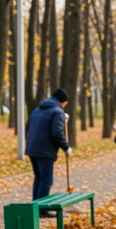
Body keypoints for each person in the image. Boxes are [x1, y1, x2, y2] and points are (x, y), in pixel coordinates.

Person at [26, 88, 72, 217]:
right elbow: (57, 133)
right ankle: (42, 210)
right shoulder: (57, 111)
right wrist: (66, 147)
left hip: (32, 148)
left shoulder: (37, 109)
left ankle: (34, 208)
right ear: (63, 102)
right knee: (46, 180)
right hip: (44, 150)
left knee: (39, 178)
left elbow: (28, 127)